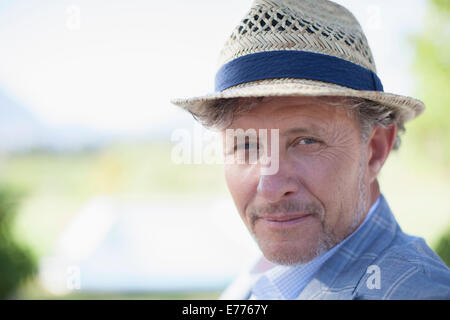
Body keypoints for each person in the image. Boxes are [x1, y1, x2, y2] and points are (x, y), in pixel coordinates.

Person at [171, 0, 450, 299]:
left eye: (305, 141)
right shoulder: (266, 274)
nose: (270, 187)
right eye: (247, 144)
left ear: (374, 149)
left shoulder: (417, 291)